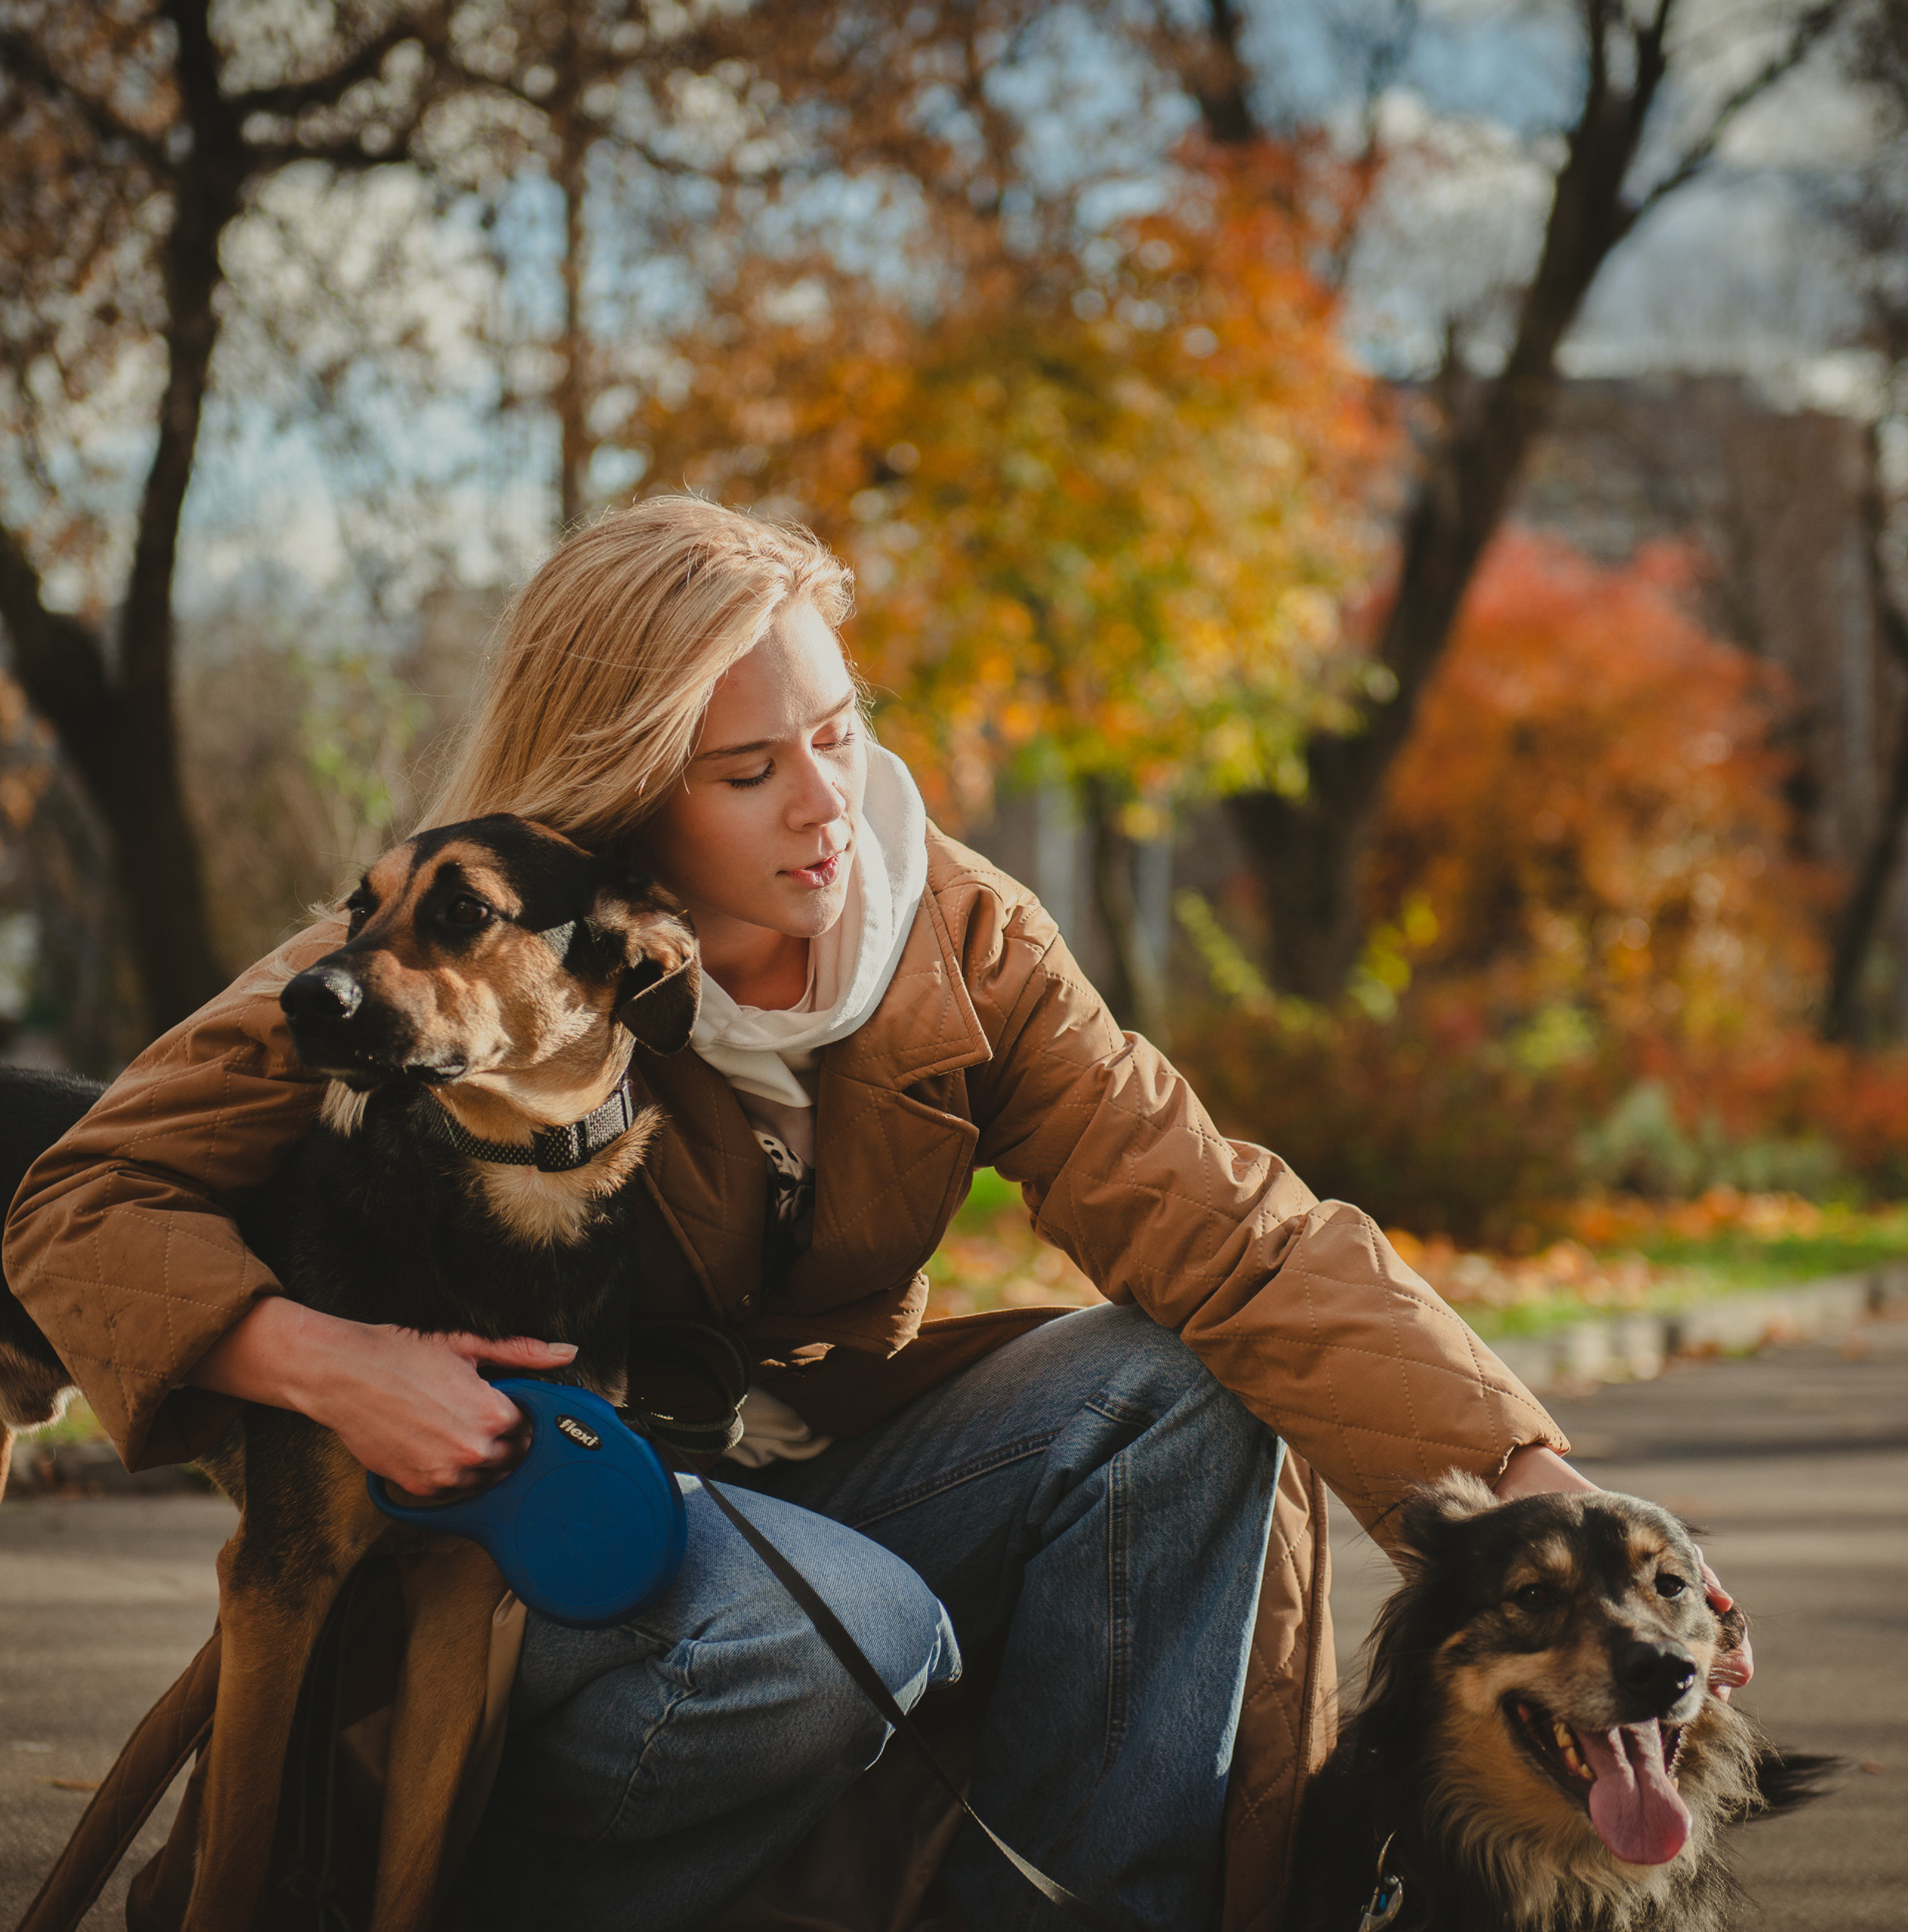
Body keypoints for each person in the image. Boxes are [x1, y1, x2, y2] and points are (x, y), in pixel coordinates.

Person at [4, 496, 1746, 1932]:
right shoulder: (473, 935)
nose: (826, 802)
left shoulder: (961, 941)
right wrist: (324, 1359)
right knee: (822, 1627)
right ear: (623, 792)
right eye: (749, 768)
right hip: (539, 1537)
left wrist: (1533, 1474)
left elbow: (1232, 1232)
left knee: (1175, 1384)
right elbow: (81, 1195)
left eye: (836, 733)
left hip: (819, 1476)